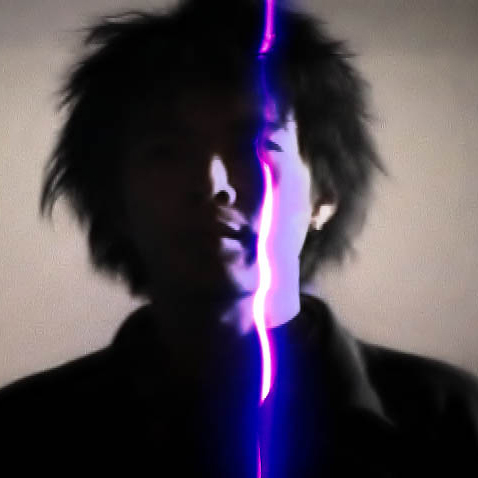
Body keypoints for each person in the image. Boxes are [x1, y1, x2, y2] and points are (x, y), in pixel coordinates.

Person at [1, 0, 477, 476]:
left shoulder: (451, 422)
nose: (214, 186)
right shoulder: (24, 432)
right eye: (166, 152)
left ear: (325, 192)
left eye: (254, 146)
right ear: (114, 197)